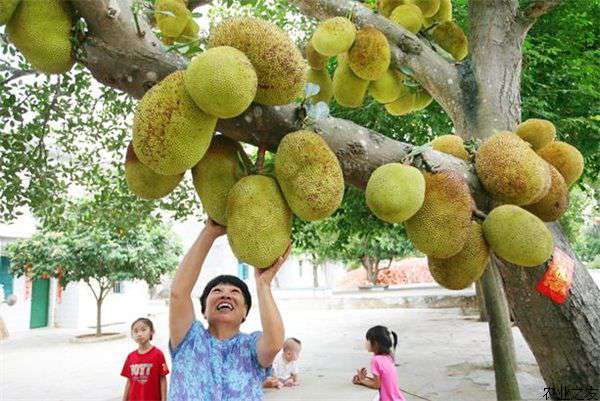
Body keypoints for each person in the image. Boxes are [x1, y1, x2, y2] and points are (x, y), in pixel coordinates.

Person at [168, 219, 290, 400]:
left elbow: (274, 344)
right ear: (204, 310)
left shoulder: (250, 345)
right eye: (216, 291)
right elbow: (179, 294)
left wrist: (263, 285)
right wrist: (210, 232)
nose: (226, 295)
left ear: (244, 312)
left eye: (235, 292)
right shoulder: (189, 339)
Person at [352, 325, 405, 401]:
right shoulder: (389, 356)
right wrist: (366, 378)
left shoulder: (376, 360)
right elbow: (384, 379)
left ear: (375, 343)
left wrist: (362, 381)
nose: (366, 343)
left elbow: (377, 385)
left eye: (367, 340)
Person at [121, 317, 169, 401]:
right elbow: (129, 381)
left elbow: (162, 379)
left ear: (152, 332)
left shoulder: (158, 354)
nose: (139, 334)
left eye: (143, 330)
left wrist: (164, 399)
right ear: (132, 335)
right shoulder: (130, 357)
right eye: (135, 331)